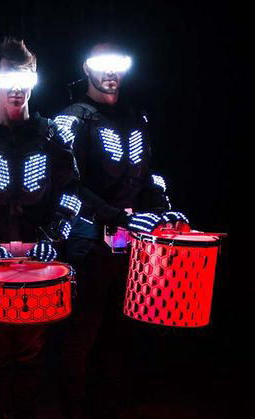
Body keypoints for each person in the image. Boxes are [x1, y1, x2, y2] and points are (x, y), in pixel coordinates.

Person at [53, 42, 189, 418]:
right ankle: (74, 409)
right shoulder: (72, 120)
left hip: (132, 243)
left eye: (118, 64)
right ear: (86, 67)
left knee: (121, 328)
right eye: (102, 64)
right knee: (82, 332)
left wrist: (161, 208)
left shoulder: (135, 118)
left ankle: (109, 404)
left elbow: (146, 175)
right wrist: (117, 216)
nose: (111, 71)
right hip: (88, 241)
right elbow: (67, 187)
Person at [0, 37, 80, 419]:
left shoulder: (52, 135)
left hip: (39, 265)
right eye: (9, 78)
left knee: (31, 355)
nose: (17, 88)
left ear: (34, 81)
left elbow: (72, 194)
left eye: (25, 79)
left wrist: (54, 236)